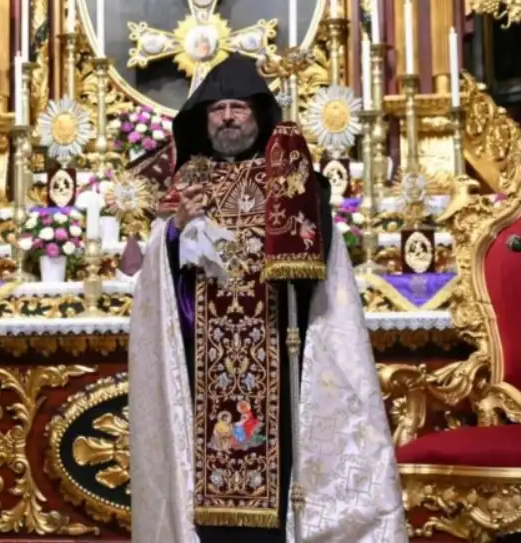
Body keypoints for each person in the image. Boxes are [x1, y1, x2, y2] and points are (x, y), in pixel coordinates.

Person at [129, 55, 406, 542]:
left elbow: (318, 259)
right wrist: (175, 230)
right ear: (203, 118)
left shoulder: (290, 181)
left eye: (239, 107)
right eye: (218, 109)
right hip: (202, 359)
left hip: (279, 348)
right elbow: (159, 275)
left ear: (258, 116)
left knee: (278, 464)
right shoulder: (188, 181)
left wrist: (302, 206)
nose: (230, 117)